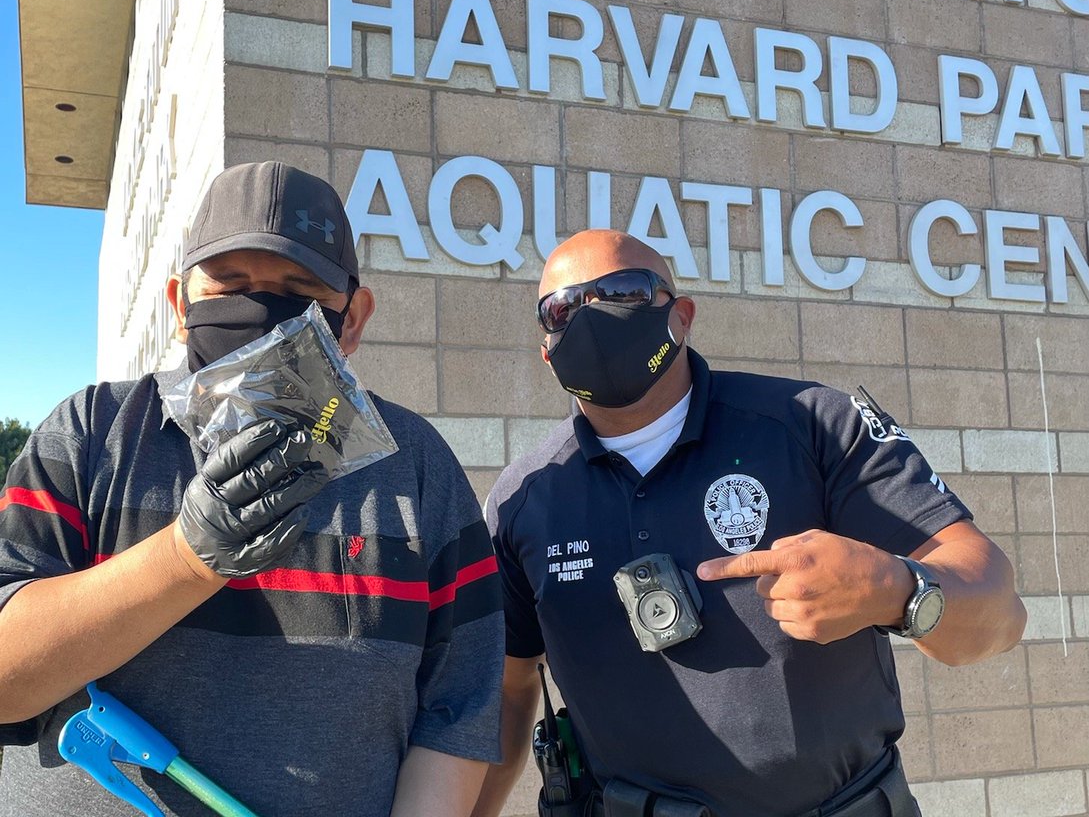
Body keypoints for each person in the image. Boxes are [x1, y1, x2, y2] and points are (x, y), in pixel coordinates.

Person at [0, 161, 504, 817]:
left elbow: (457, 705)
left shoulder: (417, 468)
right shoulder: (91, 434)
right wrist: (186, 556)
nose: (258, 305)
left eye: (298, 287)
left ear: (351, 319)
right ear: (181, 304)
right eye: (230, 282)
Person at [474, 229, 1026, 817]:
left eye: (621, 291)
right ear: (546, 349)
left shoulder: (814, 425)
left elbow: (1000, 607)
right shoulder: (523, 500)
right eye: (561, 309)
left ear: (680, 317)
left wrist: (894, 589)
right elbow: (508, 695)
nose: (591, 316)